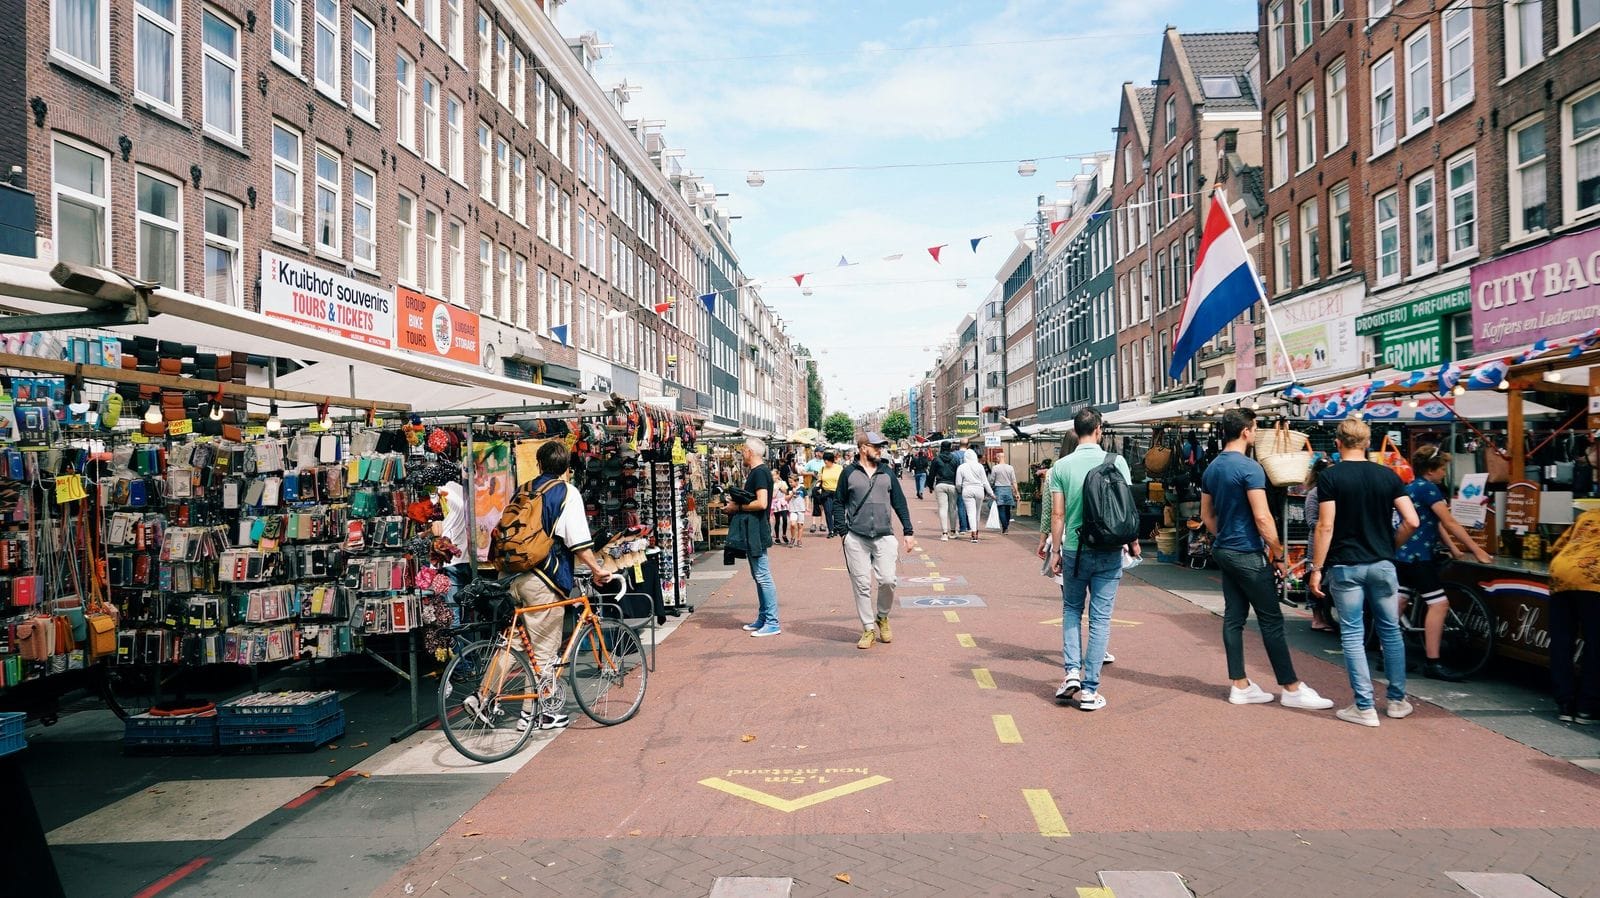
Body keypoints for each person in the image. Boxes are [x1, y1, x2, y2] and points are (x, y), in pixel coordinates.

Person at [1200, 410, 1334, 712]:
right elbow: (1261, 516)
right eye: (1256, 427)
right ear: (1247, 431)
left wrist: (1225, 536)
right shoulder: (1250, 468)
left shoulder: (1212, 469)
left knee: (1234, 617)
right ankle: (1291, 687)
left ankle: (1240, 685)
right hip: (1248, 552)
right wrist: (1277, 551)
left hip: (1225, 549)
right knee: (1271, 620)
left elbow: (1207, 515)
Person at [492, 440, 613, 732]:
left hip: (512, 575)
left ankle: (484, 696)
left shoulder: (524, 489)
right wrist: (597, 569)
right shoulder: (565, 493)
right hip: (543, 579)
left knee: (516, 642)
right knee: (545, 649)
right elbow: (579, 542)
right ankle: (543, 713)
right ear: (567, 468)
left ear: (539, 464)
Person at [1309, 418, 1420, 727]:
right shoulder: (1388, 476)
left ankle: (1364, 706)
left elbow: (1325, 525)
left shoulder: (1331, 478)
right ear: (1368, 443)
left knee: (1353, 634)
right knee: (1390, 630)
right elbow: (1412, 521)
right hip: (1382, 563)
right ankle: (1397, 701)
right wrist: (1390, 545)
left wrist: (1316, 569)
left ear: (1338, 443)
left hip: (1346, 566)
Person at [1049, 408, 1140, 712]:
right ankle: (1090, 690)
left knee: (1072, 610)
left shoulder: (1060, 467)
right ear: (1099, 429)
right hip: (1109, 550)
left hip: (1075, 549)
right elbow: (1125, 508)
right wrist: (1133, 542)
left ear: (1075, 431)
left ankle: (1071, 672)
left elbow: (1057, 514)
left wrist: (1055, 552)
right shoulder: (1117, 462)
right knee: (1100, 618)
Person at [1397, 445, 1494, 681]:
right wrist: (1476, 549)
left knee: (1399, 601)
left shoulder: (1411, 487)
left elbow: (1435, 523)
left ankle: (1388, 653)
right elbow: (1449, 522)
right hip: (1420, 556)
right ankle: (1433, 661)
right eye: (1442, 468)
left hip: (1402, 554)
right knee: (1439, 604)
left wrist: (1453, 549)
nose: (1444, 473)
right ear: (1430, 470)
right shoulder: (1430, 489)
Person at [834, 431, 917, 649]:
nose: (879, 450)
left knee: (888, 580)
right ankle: (868, 628)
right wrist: (843, 532)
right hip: (856, 537)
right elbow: (838, 502)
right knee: (861, 585)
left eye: (881, 446)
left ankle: (882, 616)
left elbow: (899, 502)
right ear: (863, 448)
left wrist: (908, 531)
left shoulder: (887, 472)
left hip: (884, 535)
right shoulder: (848, 473)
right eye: (876, 446)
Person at [1547, 509, 1600, 725]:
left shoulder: (1589, 514)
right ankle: (1587, 707)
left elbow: (1558, 545)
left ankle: (1565, 704)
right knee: (1596, 644)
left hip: (1561, 574)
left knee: (1562, 641)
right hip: (1593, 578)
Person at [728, 437, 782, 637]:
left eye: (743, 450)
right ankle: (764, 617)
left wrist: (736, 507)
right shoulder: (759, 472)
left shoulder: (759, 473)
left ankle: (772, 621)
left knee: (763, 576)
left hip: (756, 530)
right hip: (755, 529)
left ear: (750, 451)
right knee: (758, 576)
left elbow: (762, 503)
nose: (742, 454)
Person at [1302, 457, 1336, 632]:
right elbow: (1311, 521)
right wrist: (1327, 526)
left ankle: (1326, 615)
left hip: (1333, 540)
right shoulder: (1314, 494)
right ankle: (1317, 618)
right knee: (1314, 576)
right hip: (1317, 541)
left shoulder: (1333, 490)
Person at [956, 448, 995, 543]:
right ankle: (976, 530)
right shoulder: (980, 466)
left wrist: (960, 490)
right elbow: (985, 482)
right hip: (979, 490)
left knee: (970, 512)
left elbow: (958, 483)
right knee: (977, 512)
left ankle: (973, 533)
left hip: (967, 490)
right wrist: (991, 493)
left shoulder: (961, 467)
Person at [929, 441, 961, 540]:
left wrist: (930, 486)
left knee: (942, 508)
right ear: (950, 447)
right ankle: (953, 531)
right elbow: (958, 473)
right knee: (953, 509)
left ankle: (944, 533)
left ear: (941, 448)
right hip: (952, 485)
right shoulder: (955, 459)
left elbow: (931, 474)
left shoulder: (936, 459)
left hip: (940, 484)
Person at [818, 450, 844, 538]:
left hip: (837, 493)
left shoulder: (839, 468)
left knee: (836, 511)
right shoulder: (822, 468)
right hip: (826, 492)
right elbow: (819, 479)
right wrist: (817, 486)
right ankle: (831, 530)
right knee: (828, 511)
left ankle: (837, 527)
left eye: (827, 460)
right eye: (824, 460)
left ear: (831, 460)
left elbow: (843, 480)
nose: (826, 461)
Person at [990, 456, 1019, 534]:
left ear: (999, 458)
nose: (996, 459)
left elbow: (992, 480)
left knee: (1001, 509)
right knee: (1007, 509)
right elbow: (1014, 481)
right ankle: (1006, 526)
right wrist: (1017, 492)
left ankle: (1005, 527)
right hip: (1008, 489)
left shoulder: (995, 468)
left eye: (996, 457)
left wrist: (991, 489)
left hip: (999, 489)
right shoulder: (1010, 468)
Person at [803, 450, 825, 532]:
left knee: (822, 504)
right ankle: (813, 523)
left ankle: (822, 523)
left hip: (822, 485)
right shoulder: (811, 462)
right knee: (814, 504)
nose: (823, 453)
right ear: (816, 453)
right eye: (821, 451)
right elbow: (802, 471)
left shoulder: (824, 462)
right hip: (812, 486)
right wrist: (811, 473)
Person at [770, 480, 791, 546]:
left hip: (782, 502)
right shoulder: (771, 483)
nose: (772, 477)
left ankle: (784, 535)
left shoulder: (783, 482)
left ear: (777, 475)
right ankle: (777, 537)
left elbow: (786, 492)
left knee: (785, 519)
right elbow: (772, 495)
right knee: (777, 520)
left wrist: (782, 489)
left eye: (774, 475)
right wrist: (776, 489)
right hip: (776, 503)